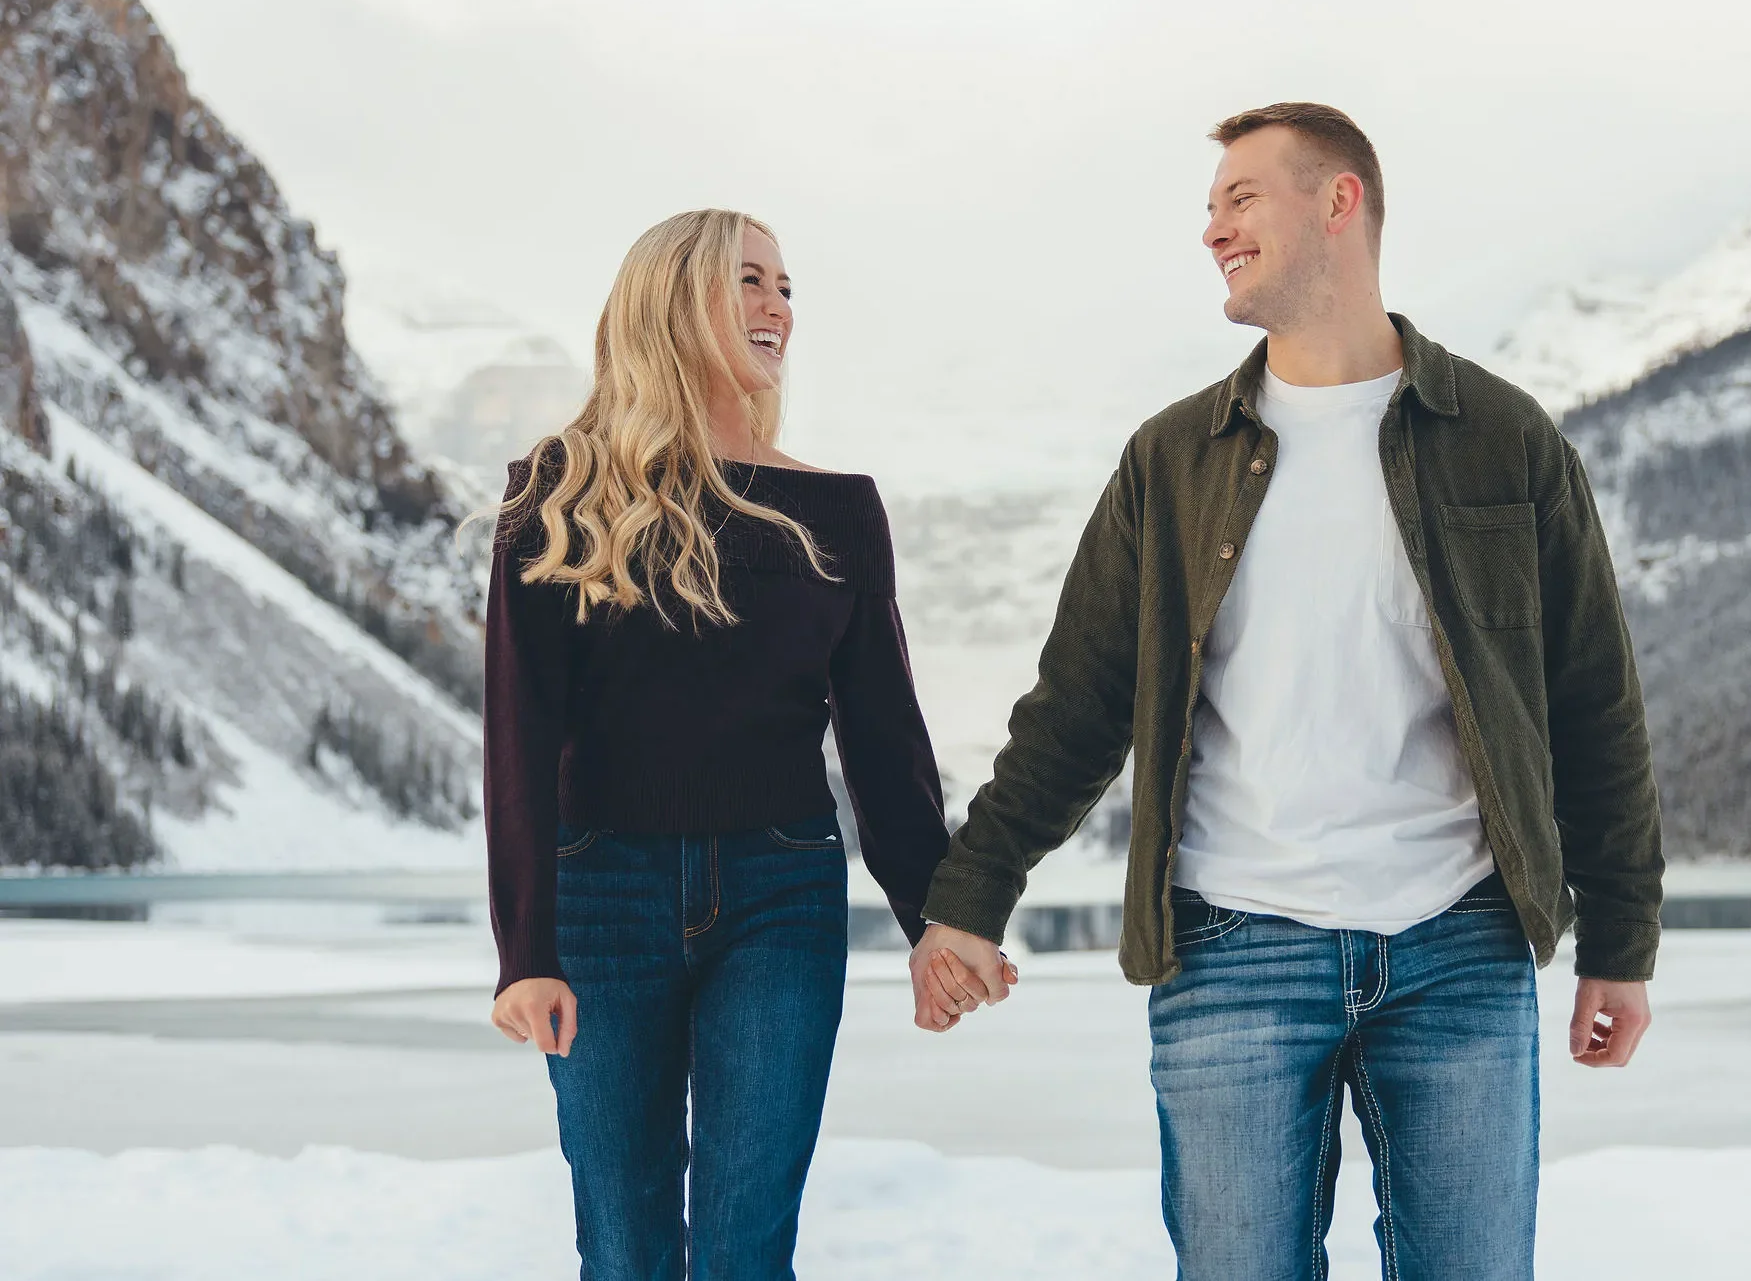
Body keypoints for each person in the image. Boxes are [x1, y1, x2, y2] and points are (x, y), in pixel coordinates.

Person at [909, 105, 1664, 1279]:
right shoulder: (1171, 459)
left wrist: (1620, 937)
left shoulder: (1502, 440)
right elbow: (1078, 703)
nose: (1211, 227)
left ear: (1338, 201)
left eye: (1239, 198)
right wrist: (972, 892)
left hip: (1457, 945)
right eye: (1210, 206)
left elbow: (1591, 706)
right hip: (1228, 949)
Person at [482, 209, 955, 1280]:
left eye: (784, 287)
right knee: (625, 1248)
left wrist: (936, 919)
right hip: (598, 895)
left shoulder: (836, 512)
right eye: (747, 280)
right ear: (669, 300)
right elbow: (518, 736)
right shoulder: (558, 493)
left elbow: (882, 740)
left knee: (748, 1253)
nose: (776, 308)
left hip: (778, 896)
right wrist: (525, 954)